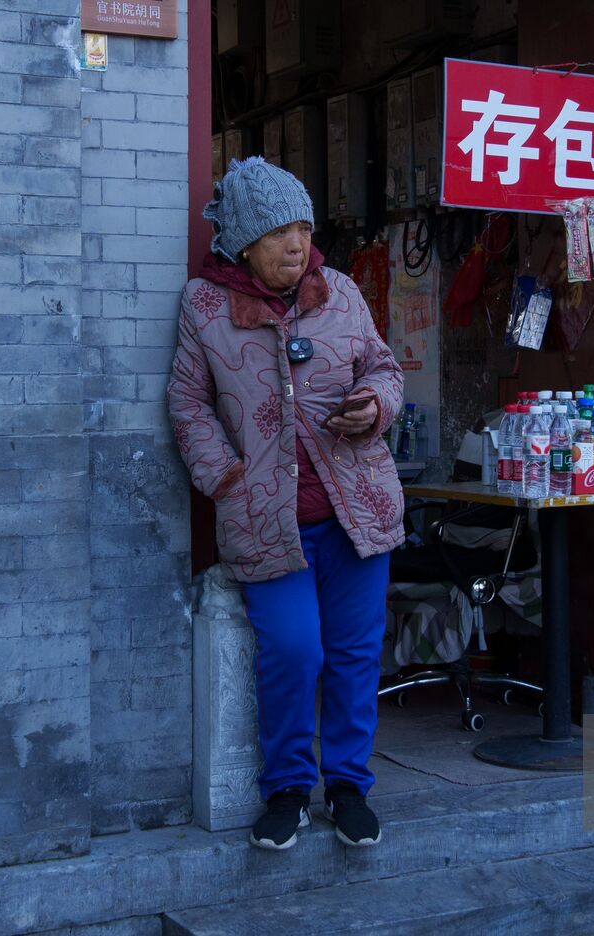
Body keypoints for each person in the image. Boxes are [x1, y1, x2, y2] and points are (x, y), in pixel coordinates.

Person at [168, 157, 405, 851]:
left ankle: (351, 787)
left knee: (356, 655)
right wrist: (225, 476)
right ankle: (288, 790)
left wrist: (377, 407)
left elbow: (385, 369)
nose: (296, 244)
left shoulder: (340, 293)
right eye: (278, 233)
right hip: (267, 521)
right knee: (295, 653)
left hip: (356, 510)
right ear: (243, 242)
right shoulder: (205, 307)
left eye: (302, 227)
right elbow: (187, 403)